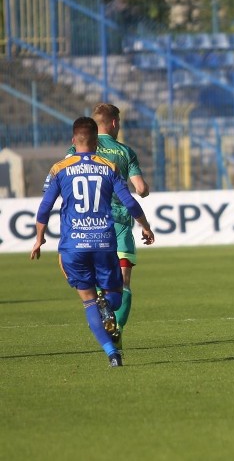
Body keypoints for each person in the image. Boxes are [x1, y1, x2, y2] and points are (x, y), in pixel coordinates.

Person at [31, 117, 155, 367]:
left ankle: (112, 354)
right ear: (96, 142)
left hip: (73, 246)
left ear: (73, 140)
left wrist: (39, 238)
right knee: (116, 297)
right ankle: (107, 306)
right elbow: (130, 202)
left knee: (88, 300)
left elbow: (45, 207)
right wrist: (145, 226)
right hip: (103, 242)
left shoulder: (59, 168)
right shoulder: (108, 166)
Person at [67, 103, 150, 348]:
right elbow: (141, 189)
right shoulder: (124, 152)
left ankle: (102, 321)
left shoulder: (76, 148)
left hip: (86, 225)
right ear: (114, 123)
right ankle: (117, 328)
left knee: (93, 284)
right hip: (120, 223)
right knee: (122, 281)